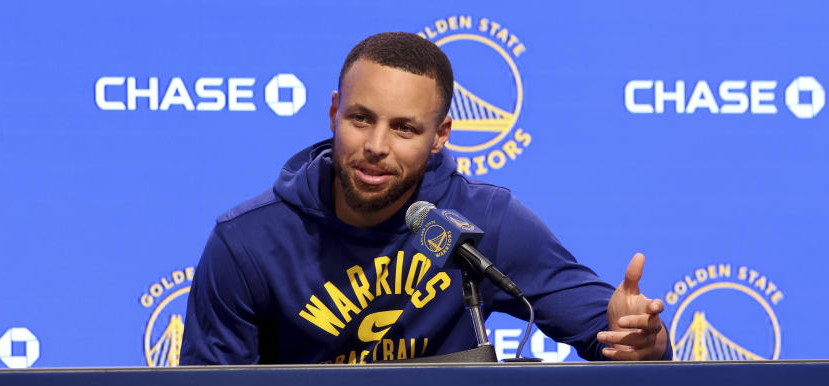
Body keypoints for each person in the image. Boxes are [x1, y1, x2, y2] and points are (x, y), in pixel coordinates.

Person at [179, 32, 669, 365]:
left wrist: (641, 337)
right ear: (334, 113)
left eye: (404, 129)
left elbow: (616, 339)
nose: (375, 146)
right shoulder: (246, 242)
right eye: (361, 119)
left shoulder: (482, 221)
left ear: (440, 135)